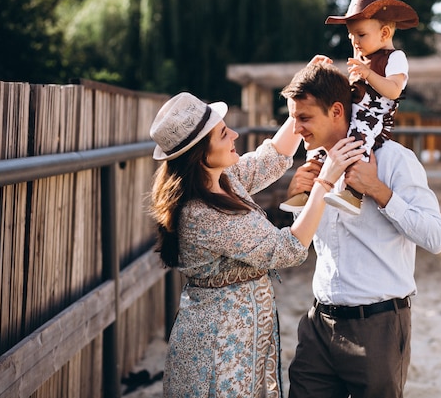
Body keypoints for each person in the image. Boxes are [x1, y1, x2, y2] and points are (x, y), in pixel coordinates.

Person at [148, 91, 364, 397]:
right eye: (224, 133)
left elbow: (271, 158)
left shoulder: (223, 178)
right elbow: (286, 248)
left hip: (240, 331)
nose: (234, 133)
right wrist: (325, 182)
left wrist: (299, 109)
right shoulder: (202, 213)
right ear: (200, 152)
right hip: (220, 341)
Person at [280, 62, 441, 398]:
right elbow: (309, 244)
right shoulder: (315, 168)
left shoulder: (395, 161)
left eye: (304, 118)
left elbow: (436, 237)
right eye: (293, 117)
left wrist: (379, 191)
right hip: (318, 324)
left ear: (337, 111)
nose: (295, 128)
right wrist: (301, 197)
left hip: (378, 328)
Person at [280, 0, 419, 215]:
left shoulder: (394, 58)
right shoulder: (362, 57)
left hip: (373, 115)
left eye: (361, 35)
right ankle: (305, 190)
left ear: (384, 33)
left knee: (357, 140)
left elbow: (393, 90)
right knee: (319, 150)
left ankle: (353, 192)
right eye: (351, 36)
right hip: (355, 112)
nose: (354, 41)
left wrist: (368, 74)